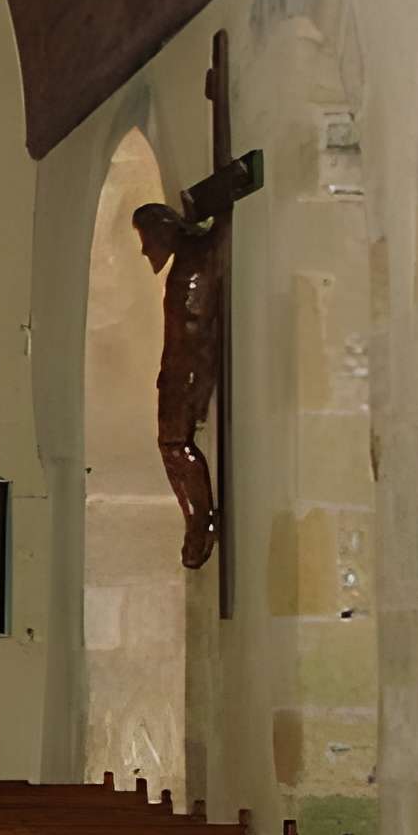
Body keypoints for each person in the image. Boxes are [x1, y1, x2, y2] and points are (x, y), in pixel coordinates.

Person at [133, 202, 225, 568]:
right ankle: (195, 520)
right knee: (169, 445)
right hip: (176, 367)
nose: (143, 249)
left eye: (145, 238)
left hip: (183, 369)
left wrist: (195, 380)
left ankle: (199, 521)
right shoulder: (190, 260)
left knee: (174, 444)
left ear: (163, 229)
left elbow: (194, 326)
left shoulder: (192, 265)